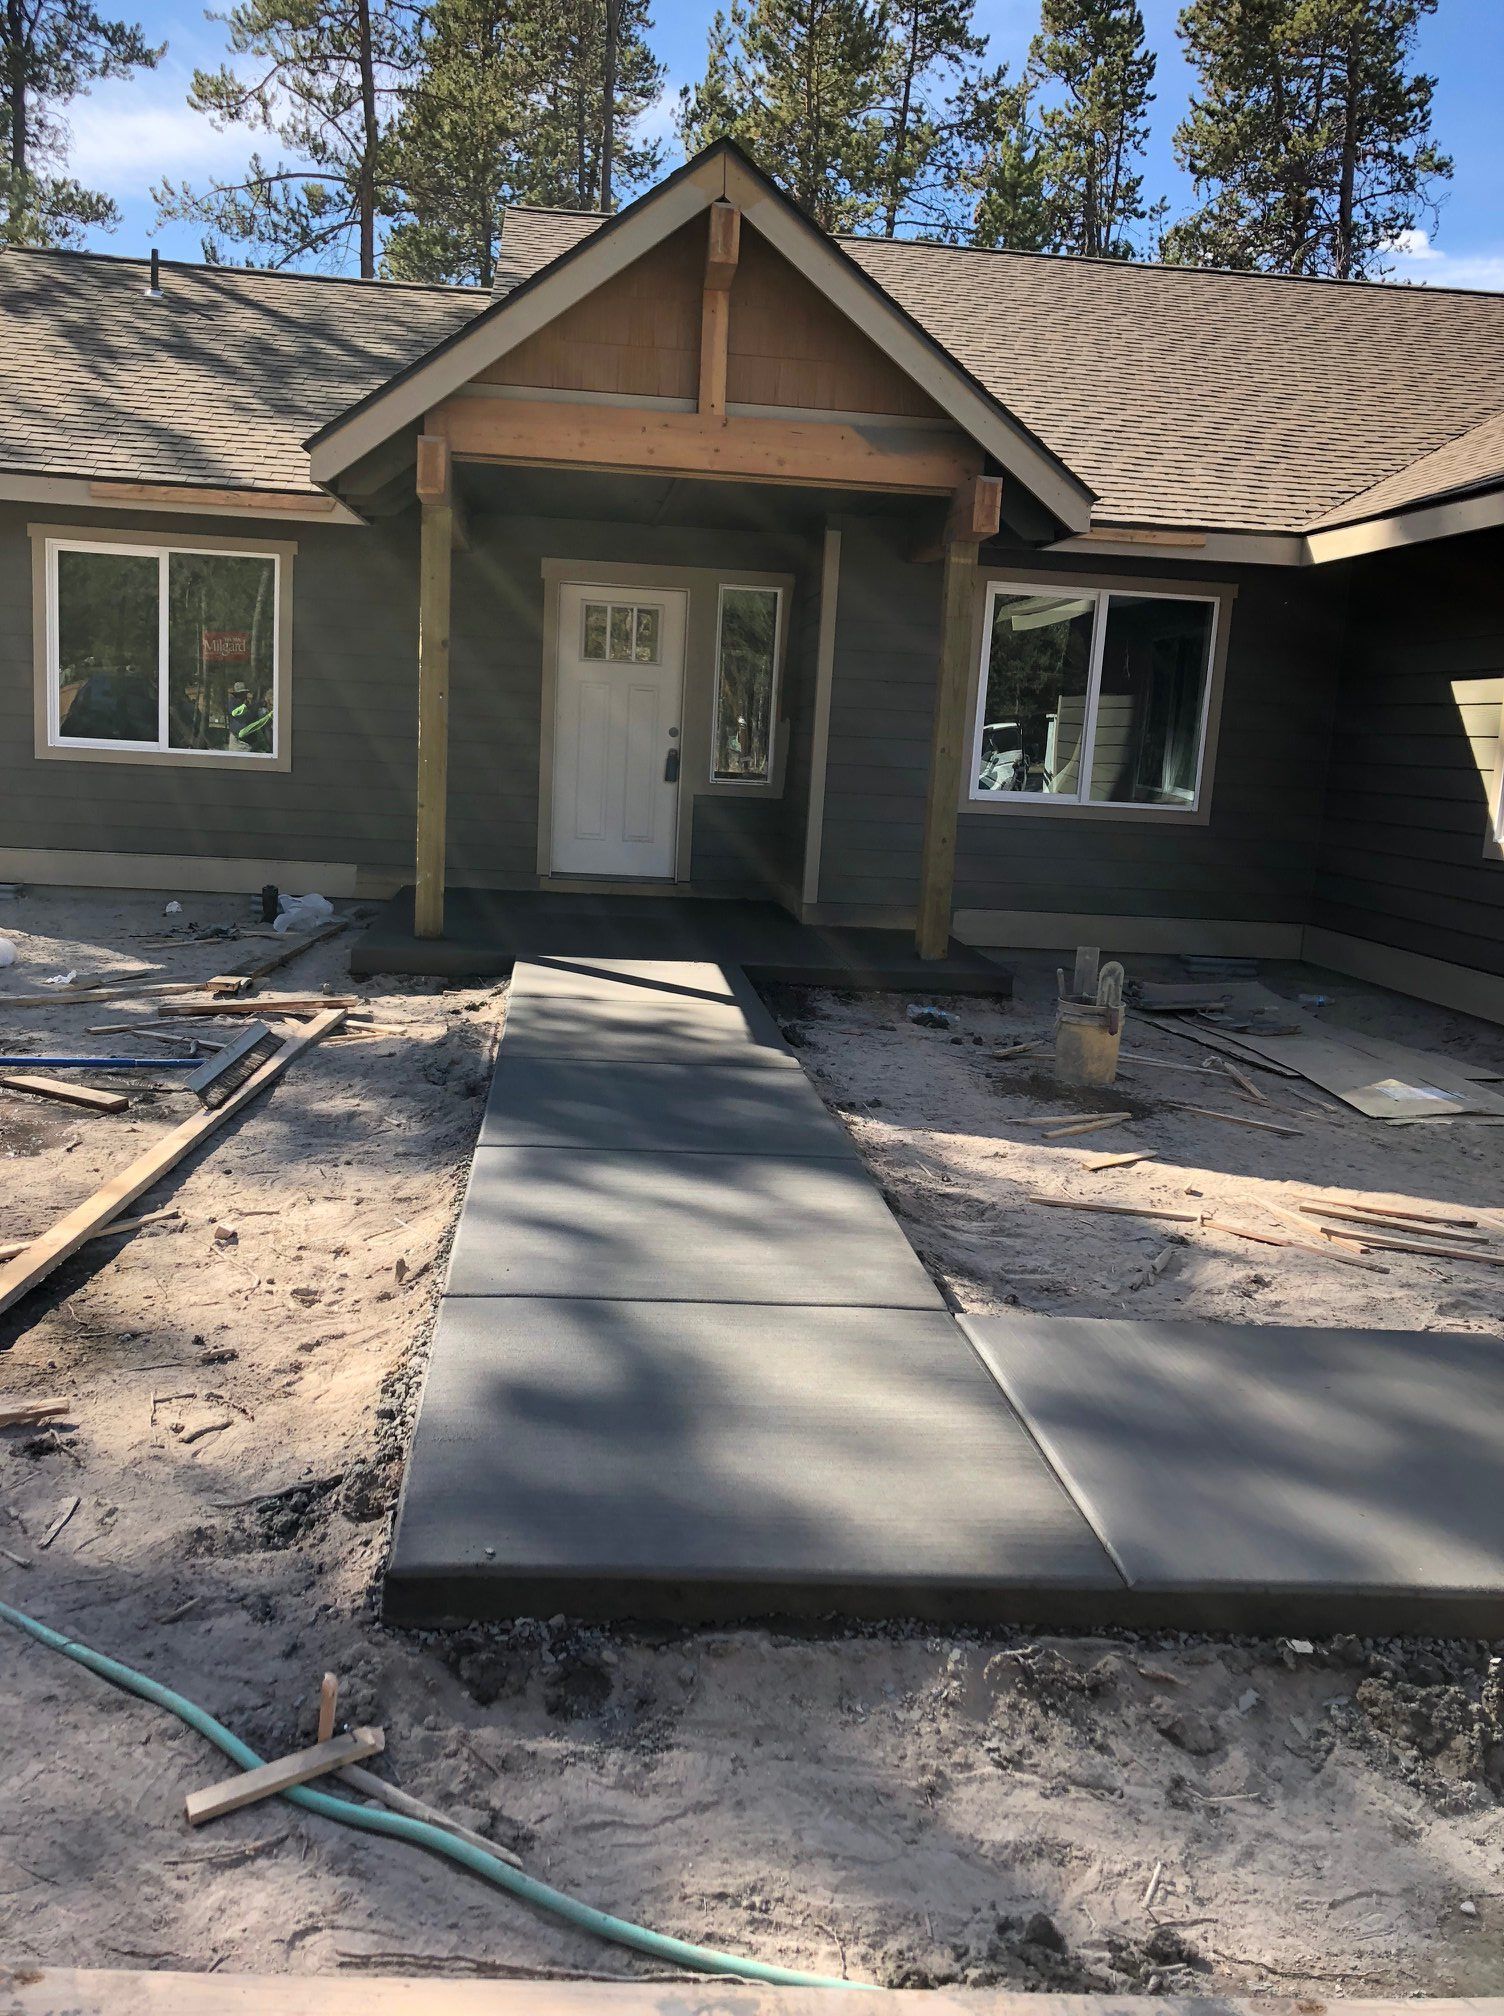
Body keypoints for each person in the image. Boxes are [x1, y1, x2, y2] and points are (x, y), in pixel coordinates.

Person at [228, 680, 273, 754]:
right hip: (238, 744)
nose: (244, 696)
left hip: (248, 744)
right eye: (241, 694)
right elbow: (246, 717)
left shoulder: (246, 704)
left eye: (244, 693)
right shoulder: (233, 704)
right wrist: (259, 704)